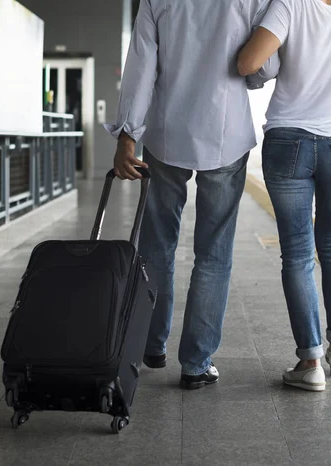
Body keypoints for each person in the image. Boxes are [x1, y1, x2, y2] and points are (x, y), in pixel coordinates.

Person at [105, 0, 279, 389]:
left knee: (157, 244)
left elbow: (140, 67)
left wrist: (127, 136)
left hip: (167, 134)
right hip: (226, 135)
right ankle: (196, 363)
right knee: (214, 253)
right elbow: (264, 64)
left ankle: (151, 343)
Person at [238, 0, 331, 391]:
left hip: (289, 139)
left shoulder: (290, 4)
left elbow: (248, 63)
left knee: (298, 251)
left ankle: (310, 362)